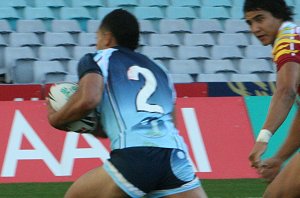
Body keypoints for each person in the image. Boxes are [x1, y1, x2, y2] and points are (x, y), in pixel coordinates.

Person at [47, 9, 207, 198]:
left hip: (135, 157)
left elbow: (88, 99)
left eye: (97, 37)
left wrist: (56, 119)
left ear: (107, 38)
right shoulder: (160, 70)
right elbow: (171, 122)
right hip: (174, 156)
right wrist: (89, 127)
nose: (97, 43)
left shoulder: (98, 59)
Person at [244, 0, 300, 197]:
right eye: (250, 23)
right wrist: (279, 158)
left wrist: (263, 139)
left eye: (260, 19)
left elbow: (286, 91)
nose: (255, 28)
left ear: (278, 16)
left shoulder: (287, 40)